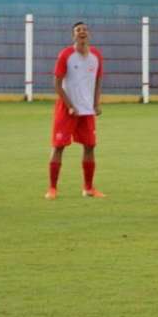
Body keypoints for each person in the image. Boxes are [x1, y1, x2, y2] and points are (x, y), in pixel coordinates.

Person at [46, 22, 105, 199]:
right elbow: (56, 84)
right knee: (58, 147)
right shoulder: (66, 55)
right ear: (73, 36)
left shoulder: (96, 56)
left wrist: (96, 103)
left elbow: (98, 81)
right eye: (78, 30)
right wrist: (70, 105)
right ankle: (52, 188)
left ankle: (88, 188)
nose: (82, 32)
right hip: (67, 110)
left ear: (89, 34)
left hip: (87, 110)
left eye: (85, 30)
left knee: (90, 146)